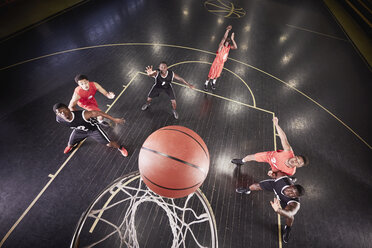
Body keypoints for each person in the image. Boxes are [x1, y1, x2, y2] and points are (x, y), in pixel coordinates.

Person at [236, 170, 305, 243]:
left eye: (293, 195)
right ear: (291, 186)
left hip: (284, 201)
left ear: (295, 197)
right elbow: (275, 169)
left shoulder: (294, 203)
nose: (289, 193)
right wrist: (272, 172)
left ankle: (287, 228)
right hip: (275, 186)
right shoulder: (282, 179)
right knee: (258, 186)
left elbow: (290, 213)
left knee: (290, 217)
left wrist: (278, 210)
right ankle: (247, 190)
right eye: (291, 190)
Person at [231, 117, 309, 176]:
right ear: (295, 156)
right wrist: (276, 125)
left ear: (297, 166)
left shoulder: (290, 172)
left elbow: (279, 175)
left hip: (275, 167)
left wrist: (273, 173)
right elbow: (283, 138)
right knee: (249, 157)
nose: (295, 161)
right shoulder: (288, 151)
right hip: (269, 156)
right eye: (297, 158)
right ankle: (242, 161)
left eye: (298, 163)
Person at [53, 103, 128, 157]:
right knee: (70, 143)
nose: (62, 113)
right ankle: (70, 146)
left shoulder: (83, 115)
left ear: (68, 109)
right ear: (57, 115)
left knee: (109, 144)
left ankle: (121, 148)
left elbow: (99, 113)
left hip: (93, 130)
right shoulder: (59, 119)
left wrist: (114, 119)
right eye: (59, 112)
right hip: (79, 131)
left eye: (64, 110)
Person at [204, 25, 238, 91]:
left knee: (217, 75)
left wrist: (233, 39)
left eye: (228, 41)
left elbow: (236, 47)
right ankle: (206, 83)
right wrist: (227, 30)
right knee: (211, 74)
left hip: (221, 64)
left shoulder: (228, 47)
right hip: (216, 62)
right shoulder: (221, 45)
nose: (227, 42)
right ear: (225, 41)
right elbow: (224, 38)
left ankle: (213, 83)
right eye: (226, 41)